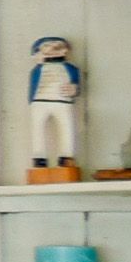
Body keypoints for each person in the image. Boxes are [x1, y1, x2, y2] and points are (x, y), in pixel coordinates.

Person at [31, 36, 86, 175]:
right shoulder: (37, 70)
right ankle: (39, 158)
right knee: (38, 129)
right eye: (47, 49)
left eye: (57, 48)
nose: (52, 52)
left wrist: (74, 89)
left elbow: (76, 84)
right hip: (40, 102)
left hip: (63, 102)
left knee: (67, 127)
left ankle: (66, 157)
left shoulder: (71, 68)